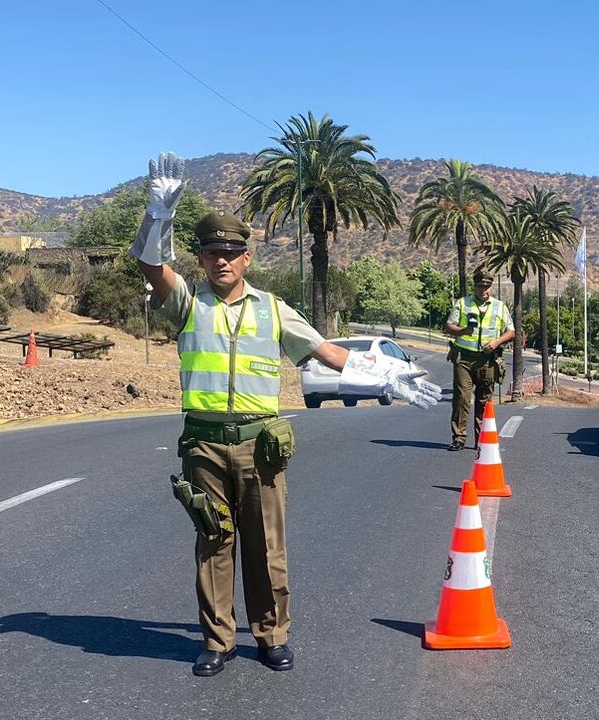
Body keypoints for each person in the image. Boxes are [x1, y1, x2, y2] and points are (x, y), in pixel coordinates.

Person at [130, 153, 440, 677]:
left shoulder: (273, 309)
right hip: (204, 444)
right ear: (200, 261)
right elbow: (148, 266)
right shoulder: (187, 304)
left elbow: (326, 352)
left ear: (247, 258)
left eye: (230, 253)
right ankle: (218, 641)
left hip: (260, 444)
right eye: (211, 253)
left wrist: (385, 375)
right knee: (214, 541)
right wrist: (159, 212)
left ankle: (272, 635)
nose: (221, 261)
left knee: (266, 546)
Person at [443, 269, 515, 451]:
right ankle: (459, 438)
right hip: (464, 359)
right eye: (480, 286)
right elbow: (449, 326)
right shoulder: (462, 303)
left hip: (487, 359)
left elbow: (511, 331)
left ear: (491, 287)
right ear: (474, 286)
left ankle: (481, 440)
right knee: (462, 399)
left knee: (484, 401)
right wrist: (463, 331)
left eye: (487, 286)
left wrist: (496, 342)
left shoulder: (499, 306)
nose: (484, 289)